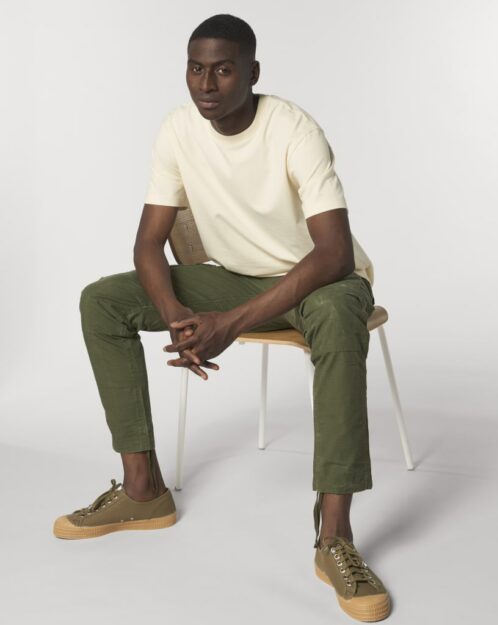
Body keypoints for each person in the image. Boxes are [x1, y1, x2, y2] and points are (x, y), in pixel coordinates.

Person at [53, 13, 391, 622]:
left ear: (253, 73)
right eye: (196, 68)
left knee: (337, 318)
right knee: (101, 300)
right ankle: (142, 490)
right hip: (235, 275)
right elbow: (148, 244)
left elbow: (335, 253)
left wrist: (229, 324)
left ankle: (335, 536)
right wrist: (177, 316)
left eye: (224, 69)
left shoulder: (293, 129)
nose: (206, 84)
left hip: (319, 280)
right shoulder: (178, 130)